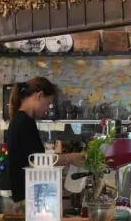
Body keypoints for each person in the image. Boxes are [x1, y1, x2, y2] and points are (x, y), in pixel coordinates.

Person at [7, 77, 83, 211]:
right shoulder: (24, 122)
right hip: (27, 199)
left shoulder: (22, 119)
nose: (48, 109)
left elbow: (33, 158)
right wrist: (71, 158)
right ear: (39, 96)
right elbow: (35, 161)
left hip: (28, 197)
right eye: (48, 103)